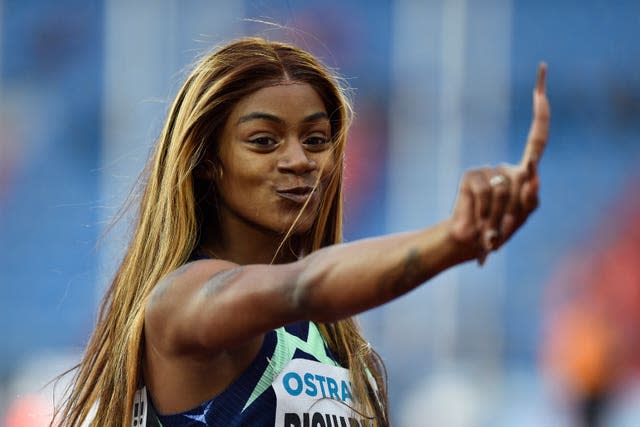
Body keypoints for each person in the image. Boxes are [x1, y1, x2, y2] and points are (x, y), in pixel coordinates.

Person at [53, 37, 549, 427]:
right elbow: (302, 286)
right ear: (206, 161)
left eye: (316, 140)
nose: (299, 161)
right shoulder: (182, 303)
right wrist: (453, 240)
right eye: (264, 141)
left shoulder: (350, 355)